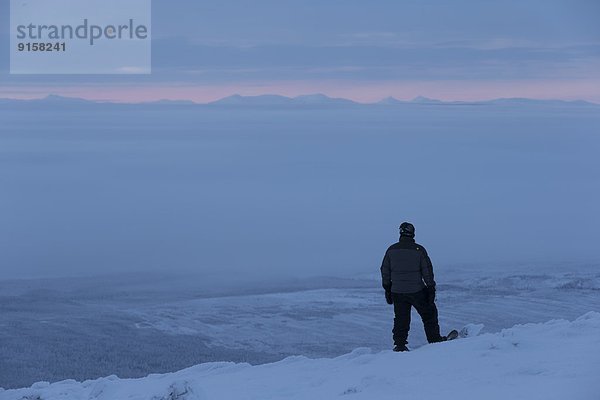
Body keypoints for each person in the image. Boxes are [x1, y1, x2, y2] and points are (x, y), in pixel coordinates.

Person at [380, 222, 449, 352]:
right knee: (429, 314)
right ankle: (434, 340)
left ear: (400, 233)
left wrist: (387, 289)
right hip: (417, 291)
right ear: (413, 233)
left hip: (397, 292)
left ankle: (400, 345)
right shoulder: (419, 250)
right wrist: (431, 288)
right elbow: (427, 271)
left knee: (401, 318)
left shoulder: (391, 250)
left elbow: (385, 271)